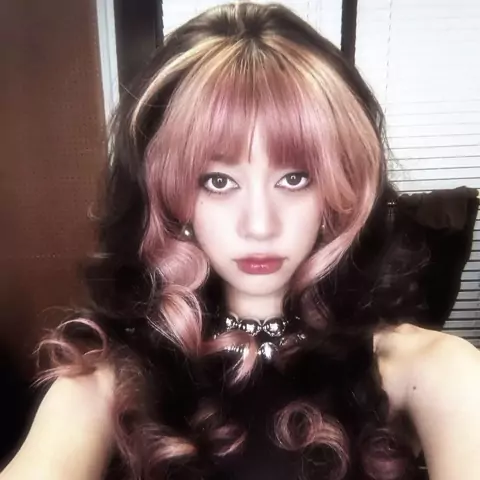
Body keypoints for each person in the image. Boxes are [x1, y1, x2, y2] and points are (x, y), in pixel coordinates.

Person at [1, 2, 480, 480]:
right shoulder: (106, 382)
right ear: (170, 196)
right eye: (218, 181)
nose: (259, 225)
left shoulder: (434, 370)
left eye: (294, 178)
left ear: (341, 189)